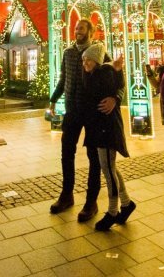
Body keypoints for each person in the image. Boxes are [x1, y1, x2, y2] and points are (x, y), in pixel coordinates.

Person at [48, 19, 124, 222]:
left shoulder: (99, 53)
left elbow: (117, 80)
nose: (77, 31)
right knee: (67, 152)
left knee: (94, 157)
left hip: (93, 113)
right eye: (75, 29)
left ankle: (92, 201)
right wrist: (54, 99)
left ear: (91, 32)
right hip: (72, 111)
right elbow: (64, 79)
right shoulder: (68, 52)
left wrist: (115, 99)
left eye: (81, 28)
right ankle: (67, 194)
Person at [81, 43, 135, 231]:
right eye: (83, 59)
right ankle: (127, 203)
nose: (85, 62)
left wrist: (117, 70)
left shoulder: (103, 71)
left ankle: (113, 211)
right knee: (110, 167)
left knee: (108, 169)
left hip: (106, 128)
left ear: (96, 60)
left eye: (88, 59)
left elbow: (117, 88)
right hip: (98, 127)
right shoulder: (93, 73)